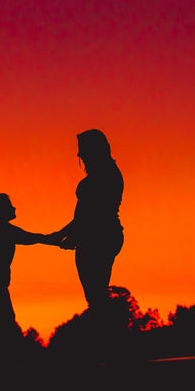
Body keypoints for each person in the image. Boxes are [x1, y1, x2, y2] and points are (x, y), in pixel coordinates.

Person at [50, 129, 124, 314]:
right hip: (99, 236)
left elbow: (93, 215)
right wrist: (65, 234)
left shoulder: (104, 176)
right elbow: (86, 217)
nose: (79, 154)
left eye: (82, 149)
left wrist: (70, 236)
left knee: (95, 297)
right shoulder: (107, 174)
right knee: (95, 296)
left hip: (97, 239)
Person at [0, 193, 60, 335]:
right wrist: (57, 240)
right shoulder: (2, 230)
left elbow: (30, 237)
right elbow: (30, 238)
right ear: (2, 211)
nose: (14, 208)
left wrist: (55, 239)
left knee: (6, 317)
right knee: (7, 318)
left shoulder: (2, 229)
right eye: (10, 206)